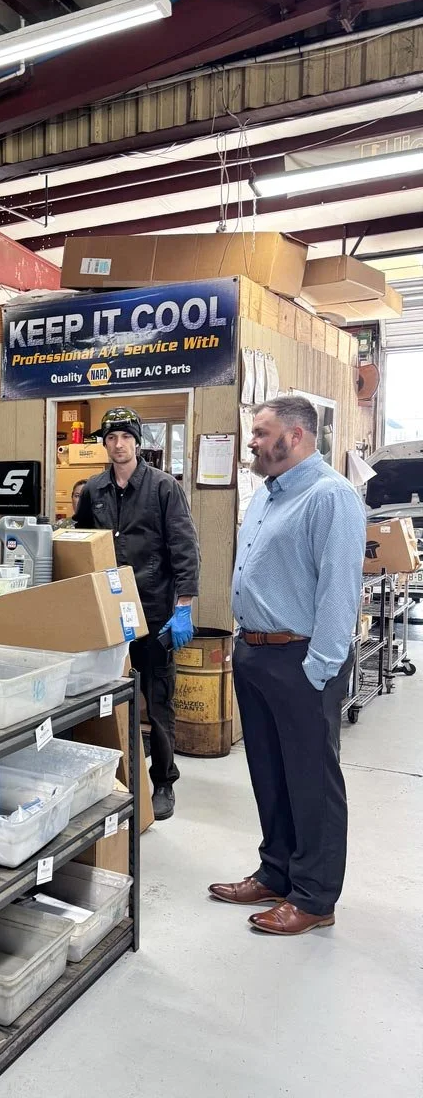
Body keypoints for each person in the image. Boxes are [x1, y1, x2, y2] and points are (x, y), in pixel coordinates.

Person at [209, 395, 365, 936]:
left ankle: (316, 896)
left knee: (310, 779)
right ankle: (276, 871)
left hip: (301, 658)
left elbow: (340, 591)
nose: (251, 440)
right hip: (255, 653)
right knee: (270, 775)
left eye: (260, 431)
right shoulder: (267, 496)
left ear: (296, 436)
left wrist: (320, 666)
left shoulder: (331, 498)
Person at [75, 406, 199, 821]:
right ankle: (116, 773)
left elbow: (185, 547)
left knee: (158, 702)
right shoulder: (95, 490)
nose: (118, 444)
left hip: (154, 611)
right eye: (111, 438)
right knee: (107, 698)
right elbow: (78, 541)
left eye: (126, 436)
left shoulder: (164, 488)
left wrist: (184, 606)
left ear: (137, 441)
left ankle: (163, 781)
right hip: (108, 615)